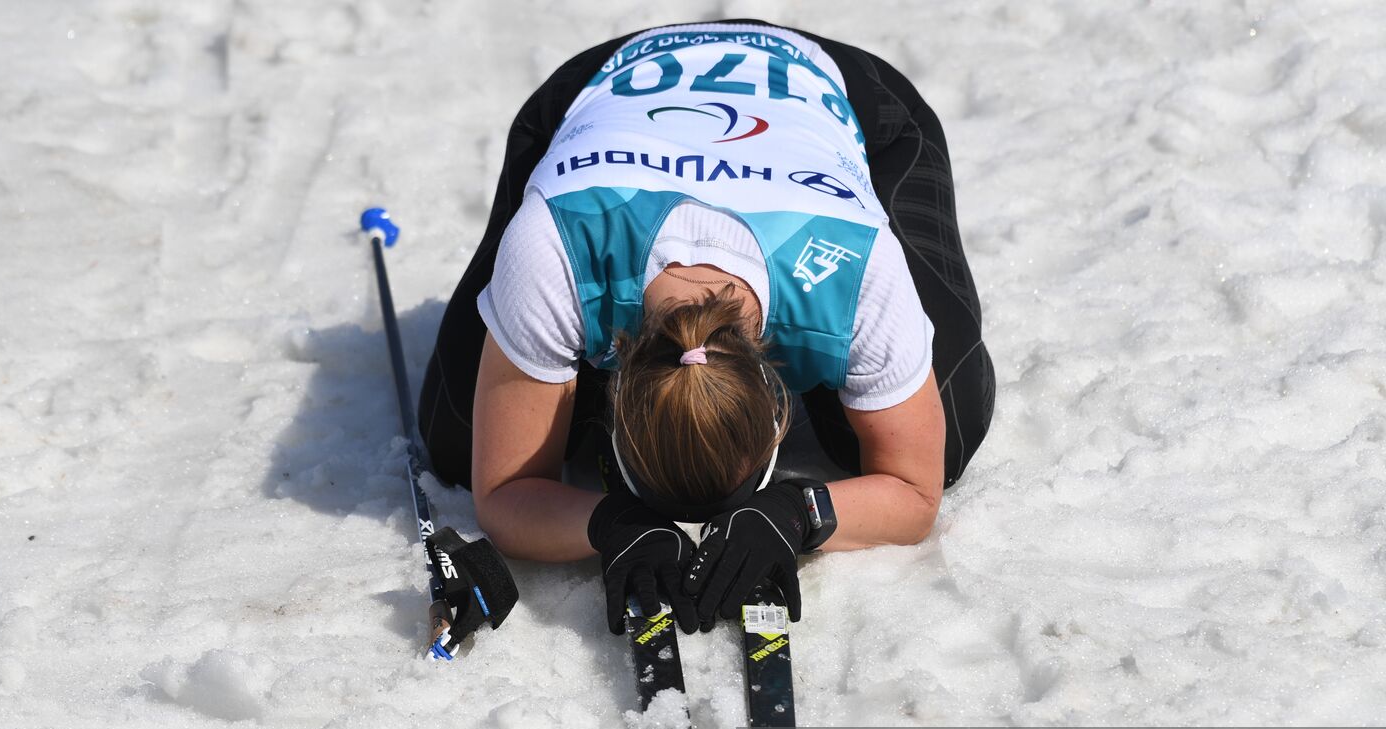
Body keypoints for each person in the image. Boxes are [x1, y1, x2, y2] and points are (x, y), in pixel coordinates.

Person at [417, 21, 995, 636]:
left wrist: (796, 513)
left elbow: (916, 492)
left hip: (848, 102)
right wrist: (609, 521)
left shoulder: (858, 276)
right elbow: (504, 491)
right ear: (615, 387)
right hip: (601, 104)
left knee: (946, 433)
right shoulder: (553, 250)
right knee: (457, 442)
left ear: (779, 410)